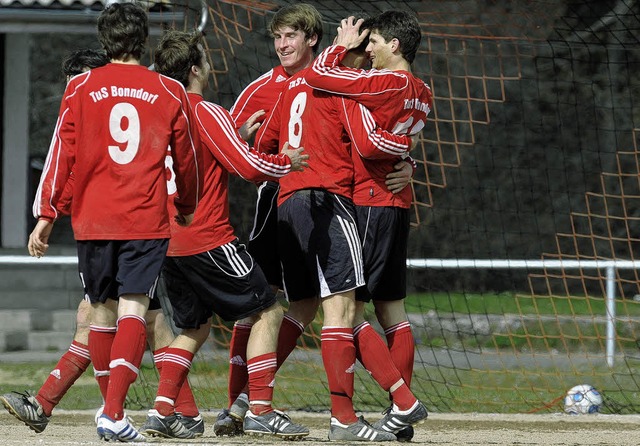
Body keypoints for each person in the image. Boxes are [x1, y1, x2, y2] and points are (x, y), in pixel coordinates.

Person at [0, 48, 203, 438]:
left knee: (119, 317)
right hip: (145, 227)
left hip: (138, 228)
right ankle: (171, 412)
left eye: (76, 81)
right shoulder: (144, 108)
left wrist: (49, 213)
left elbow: (78, 173)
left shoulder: (119, 114)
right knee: (138, 317)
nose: (72, 90)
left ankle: (96, 408)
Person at [251, 14, 421, 441]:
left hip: (290, 202)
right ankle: (373, 409)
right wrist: (408, 149)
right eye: (367, 50)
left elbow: (261, 149)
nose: (370, 59)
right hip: (330, 200)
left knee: (303, 306)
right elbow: (368, 143)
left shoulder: (290, 87)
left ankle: (253, 402)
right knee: (346, 311)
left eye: (290, 36)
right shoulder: (341, 81)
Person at [141, 30, 310, 440]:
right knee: (268, 310)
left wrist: (237, 133)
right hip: (208, 239)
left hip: (167, 243)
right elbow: (248, 168)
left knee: (194, 328)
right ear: (195, 68)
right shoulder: (204, 110)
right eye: (207, 59)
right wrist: (284, 161)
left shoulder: (158, 112)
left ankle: (162, 411)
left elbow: (198, 152)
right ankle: (262, 411)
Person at [303, 10, 434, 439]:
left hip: (369, 202)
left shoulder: (386, 82)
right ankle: (401, 413)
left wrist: (340, 45)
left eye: (375, 40)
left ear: (395, 45)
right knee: (392, 309)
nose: (370, 48)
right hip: (397, 202)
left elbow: (322, 75)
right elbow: (400, 140)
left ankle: (399, 402)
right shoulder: (424, 91)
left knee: (348, 312)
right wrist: (409, 158)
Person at [219, 3, 325, 435]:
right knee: (263, 305)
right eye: (277, 37)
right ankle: (239, 403)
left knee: (311, 303)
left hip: (326, 201)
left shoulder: (334, 76)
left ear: (311, 38)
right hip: (277, 202)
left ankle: (244, 402)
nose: (282, 45)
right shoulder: (262, 86)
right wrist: (244, 139)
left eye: (290, 36)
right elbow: (223, 138)